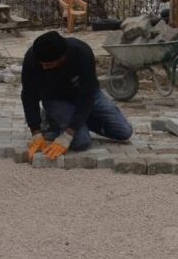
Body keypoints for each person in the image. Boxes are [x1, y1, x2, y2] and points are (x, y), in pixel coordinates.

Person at [21, 31, 133, 161]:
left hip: (86, 94)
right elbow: (29, 95)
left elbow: (88, 94)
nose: (44, 68)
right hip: (55, 99)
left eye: (49, 64)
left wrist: (68, 134)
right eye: (42, 64)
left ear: (62, 58)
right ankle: (51, 118)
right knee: (81, 142)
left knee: (124, 132)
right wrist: (35, 131)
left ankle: (75, 119)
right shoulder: (33, 58)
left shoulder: (82, 53)